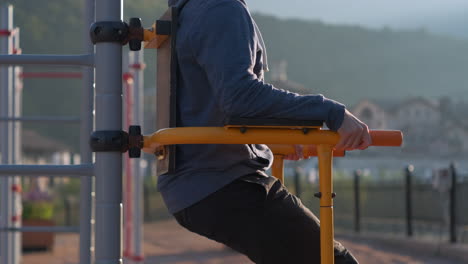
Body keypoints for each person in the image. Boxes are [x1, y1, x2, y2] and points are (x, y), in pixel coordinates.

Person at [160, 0, 372, 263]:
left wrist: (273, 136)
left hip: (200, 180)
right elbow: (240, 98)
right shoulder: (221, 8)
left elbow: (208, 105)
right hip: (223, 181)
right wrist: (331, 112)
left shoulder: (193, 8)